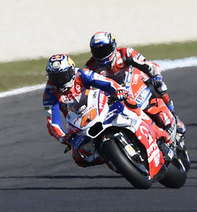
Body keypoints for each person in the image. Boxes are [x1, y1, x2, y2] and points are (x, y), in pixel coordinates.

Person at [43, 54, 172, 167]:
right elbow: (52, 121)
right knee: (80, 158)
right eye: (54, 77)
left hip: (101, 106)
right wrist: (63, 138)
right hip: (80, 123)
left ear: (71, 71)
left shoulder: (82, 74)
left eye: (62, 76)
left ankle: (156, 130)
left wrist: (118, 90)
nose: (59, 81)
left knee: (129, 103)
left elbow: (105, 82)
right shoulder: (50, 93)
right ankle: (115, 160)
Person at [85, 31, 185, 138]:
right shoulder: (90, 67)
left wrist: (156, 76)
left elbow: (149, 65)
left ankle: (173, 115)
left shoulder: (125, 53)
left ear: (113, 46)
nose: (102, 54)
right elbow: (86, 88)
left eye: (105, 50)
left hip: (136, 84)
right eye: (98, 52)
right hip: (114, 95)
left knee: (160, 86)